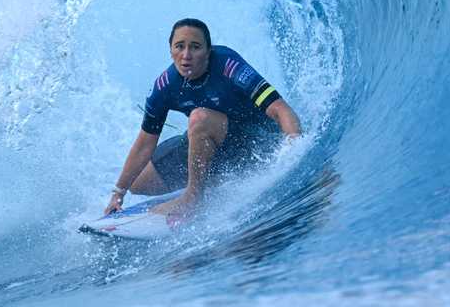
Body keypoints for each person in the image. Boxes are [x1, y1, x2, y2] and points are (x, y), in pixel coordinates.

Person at [104, 18, 302, 218]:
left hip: (252, 141)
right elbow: (145, 142)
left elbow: (279, 108)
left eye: (195, 47)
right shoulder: (164, 87)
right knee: (138, 183)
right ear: (170, 50)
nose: (186, 55)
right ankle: (211, 179)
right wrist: (118, 193)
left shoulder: (229, 66)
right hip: (211, 141)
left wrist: (294, 147)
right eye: (179, 47)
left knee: (198, 118)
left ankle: (193, 197)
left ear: (208, 51)